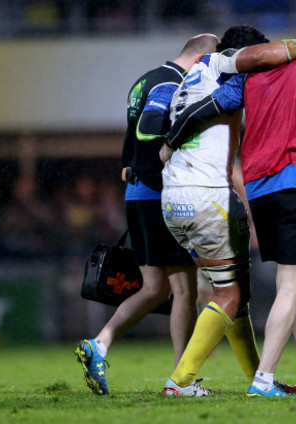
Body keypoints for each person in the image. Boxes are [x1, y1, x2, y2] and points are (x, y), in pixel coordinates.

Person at [165, 16, 296, 397]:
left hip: (259, 189)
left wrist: (170, 142)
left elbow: (208, 108)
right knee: (293, 284)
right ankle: (262, 380)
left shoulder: (253, 72)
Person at [74, 33, 220, 396]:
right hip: (158, 196)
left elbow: (130, 139)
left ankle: (100, 343)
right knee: (185, 290)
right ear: (201, 59)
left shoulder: (144, 80)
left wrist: (130, 166)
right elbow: (148, 131)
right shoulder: (173, 84)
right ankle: (181, 379)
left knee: (156, 288)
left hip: (136, 194)